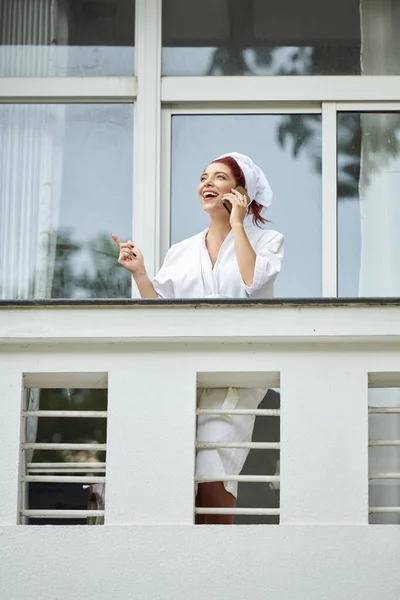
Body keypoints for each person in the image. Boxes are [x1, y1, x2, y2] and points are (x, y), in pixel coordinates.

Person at [112, 152, 284, 524]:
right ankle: (199, 563)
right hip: (184, 375)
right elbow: (160, 311)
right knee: (179, 477)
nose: (206, 183)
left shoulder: (268, 240)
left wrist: (238, 223)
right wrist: (140, 273)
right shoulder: (182, 250)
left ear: (240, 191)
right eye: (203, 176)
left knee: (211, 464)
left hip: (236, 373)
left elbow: (254, 283)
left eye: (219, 177)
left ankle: (218, 559)